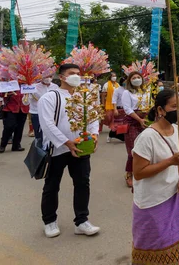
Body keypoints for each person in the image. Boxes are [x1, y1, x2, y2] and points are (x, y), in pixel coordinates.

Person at [131, 89, 179, 264]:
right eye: (174, 106)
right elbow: (138, 173)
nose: (178, 110)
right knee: (156, 244)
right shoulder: (147, 137)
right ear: (160, 110)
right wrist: (170, 161)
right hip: (151, 201)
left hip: (173, 197)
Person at [39, 63, 100, 238]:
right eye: (72, 73)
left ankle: (82, 221)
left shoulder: (83, 97)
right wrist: (66, 142)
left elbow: (93, 118)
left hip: (81, 147)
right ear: (62, 76)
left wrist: (94, 135)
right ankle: (50, 221)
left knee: (82, 183)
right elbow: (47, 124)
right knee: (52, 185)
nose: (76, 77)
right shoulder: (50, 98)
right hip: (58, 149)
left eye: (78, 73)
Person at [122, 71, 151, 188]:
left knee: (145, 148)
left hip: (145, 120)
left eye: (138, 77)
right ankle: (129, 173)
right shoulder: (126, 93)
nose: (137, 79)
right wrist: (139, 120)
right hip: (132, 121)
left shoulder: (146, 92)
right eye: (134, 78)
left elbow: (148, 106)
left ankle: (142, 171)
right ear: (130, 80)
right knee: (133, 149)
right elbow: (127, 109)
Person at [0, 87, 29, 153]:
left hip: (23, 108)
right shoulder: (9, 83)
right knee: (9, 127)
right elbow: (0, 93)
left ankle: (16, 145)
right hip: (10, 109)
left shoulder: (27, 83)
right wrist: (7, 92)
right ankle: (3, 144)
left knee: (19, 128)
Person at [107, 76, 127, 143]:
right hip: (119, 109)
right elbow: (114, 100)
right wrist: (115, 109)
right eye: (124, 82)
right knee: (117, 124)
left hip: (126, 109)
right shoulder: (117, 90)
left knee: (125, 124)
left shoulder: (128, 90)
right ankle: (111, 135)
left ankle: (124, 137)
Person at [101, 72, 120, 141]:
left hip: (116, 104)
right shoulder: (106, 84)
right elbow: (103, 95)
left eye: (115, 76)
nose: (114, 77)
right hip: (108, 103)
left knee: (114, 117)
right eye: (113, 76)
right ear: (110, 77)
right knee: (108, 116)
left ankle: (113, 129)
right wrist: (103, 104)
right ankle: (103, 123)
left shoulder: (117, 85)